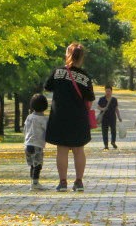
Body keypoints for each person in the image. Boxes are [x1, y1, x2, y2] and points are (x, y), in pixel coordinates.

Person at [44, 42, 94, 192]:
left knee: (62, 150)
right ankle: (78, 182)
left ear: (68, 55)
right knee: (79, 150)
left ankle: (63, 182)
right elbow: (90, 99)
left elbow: (48, 86)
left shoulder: (58, 72)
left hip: (60, 117)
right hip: (78, 117)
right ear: (82, 57)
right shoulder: (85, 77)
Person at [24, 93, 49, 190]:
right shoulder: (43, 119)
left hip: (27, 144)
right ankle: (35, 183)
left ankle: (33, 182)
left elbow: (25, 128)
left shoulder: (29, 117)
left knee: (32, 165)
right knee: (38, 164)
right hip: (37, 145)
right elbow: (47, 131)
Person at [96, 84, 122, 150]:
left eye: (109, 91)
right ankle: (106, 145)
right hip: (104, 118)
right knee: (104, 131)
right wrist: (102, 109)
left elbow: (116, 108)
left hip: (112, 117)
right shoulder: (101, 99)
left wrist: (119, 117)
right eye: (106, 91)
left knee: (113, 130)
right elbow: (98, 107)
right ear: (105, 91)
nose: (108, 93)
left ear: (111, 91)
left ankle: (113, 142)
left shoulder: (114, 99)